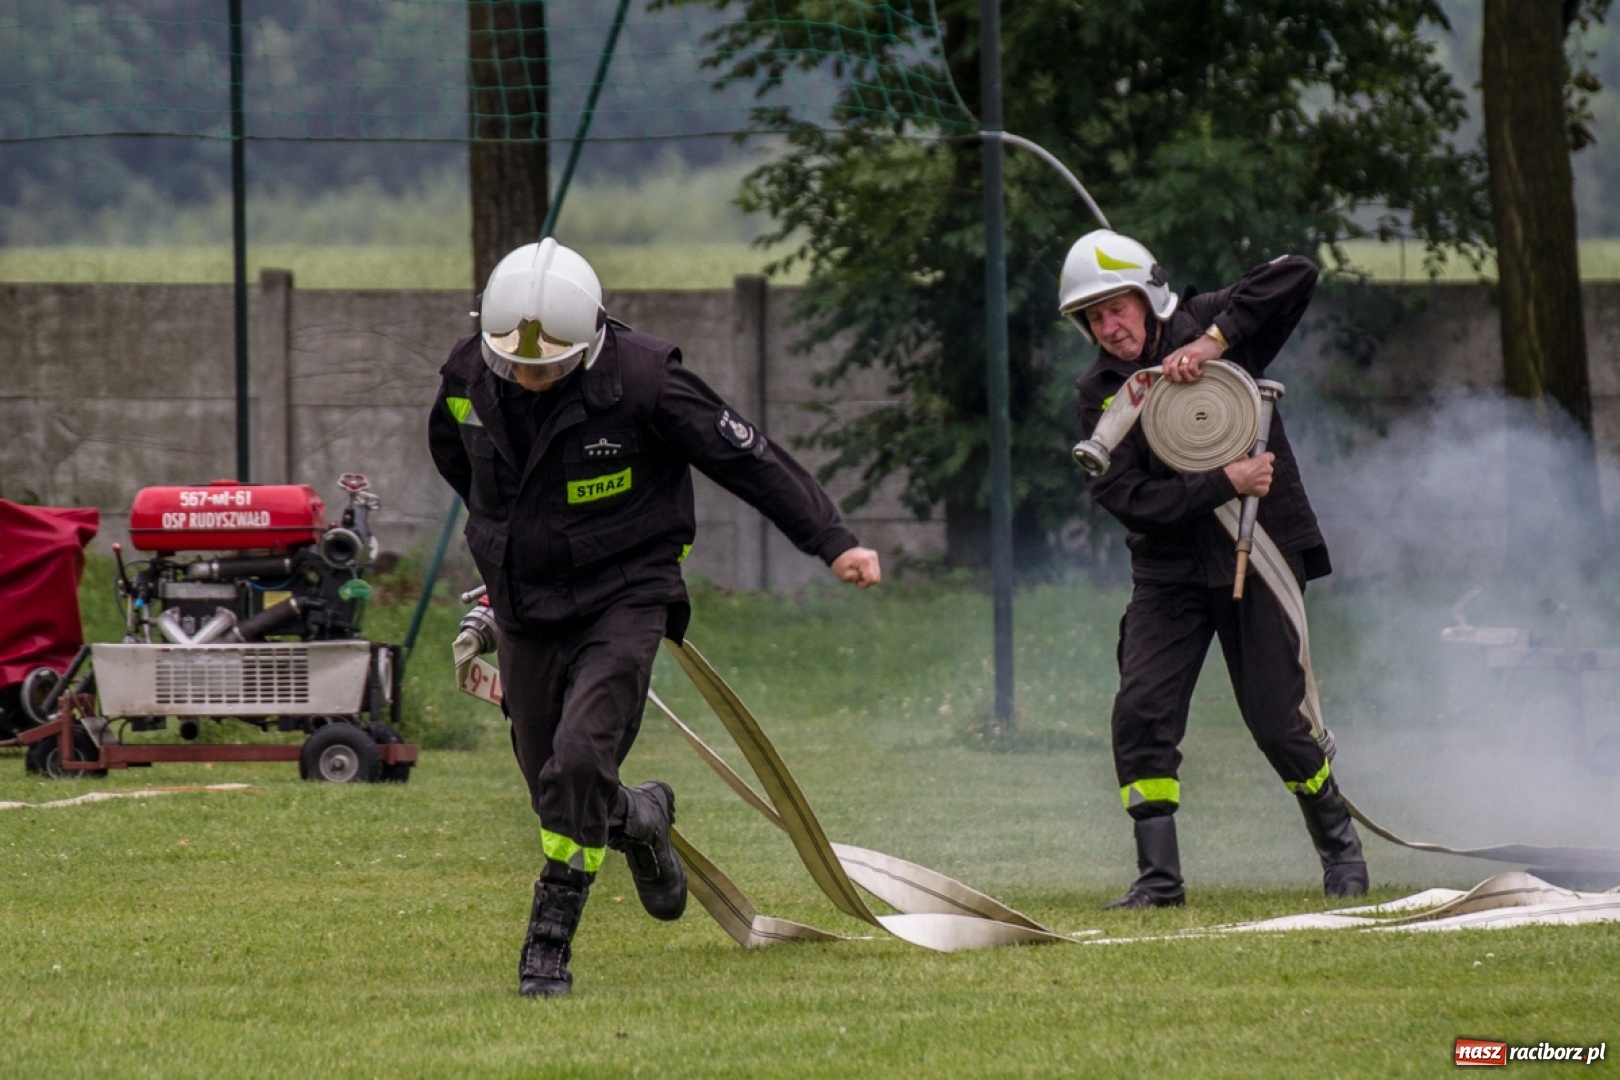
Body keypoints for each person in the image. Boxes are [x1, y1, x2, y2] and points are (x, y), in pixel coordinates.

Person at [429, 239, 881, 995]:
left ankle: (548, 945)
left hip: (625, 596)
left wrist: (831, 540)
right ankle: (642, 818)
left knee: (577, 763)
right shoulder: (467, 376)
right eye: (517, 364)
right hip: (525, 605)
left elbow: (749, 458)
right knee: (558, 788)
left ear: (592, 339)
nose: (532, 378)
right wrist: (501, 541)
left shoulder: (645, 380)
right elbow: (457, 458)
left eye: (549, 365)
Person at [1062, 228, 1367, 908]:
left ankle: (1342, 852)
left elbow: (1297, 273)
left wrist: (1211, 346)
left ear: (1148, 296)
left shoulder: (1207, 324)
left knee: (1278, 721)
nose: (1110, 328)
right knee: (1141, 710)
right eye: (1095, 317)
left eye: (1119, 307)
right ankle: (1159, 879)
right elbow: (1130, 500)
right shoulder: (1101, 393)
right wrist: (1227, 479)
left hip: (1258, 557)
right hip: (1168, 575)